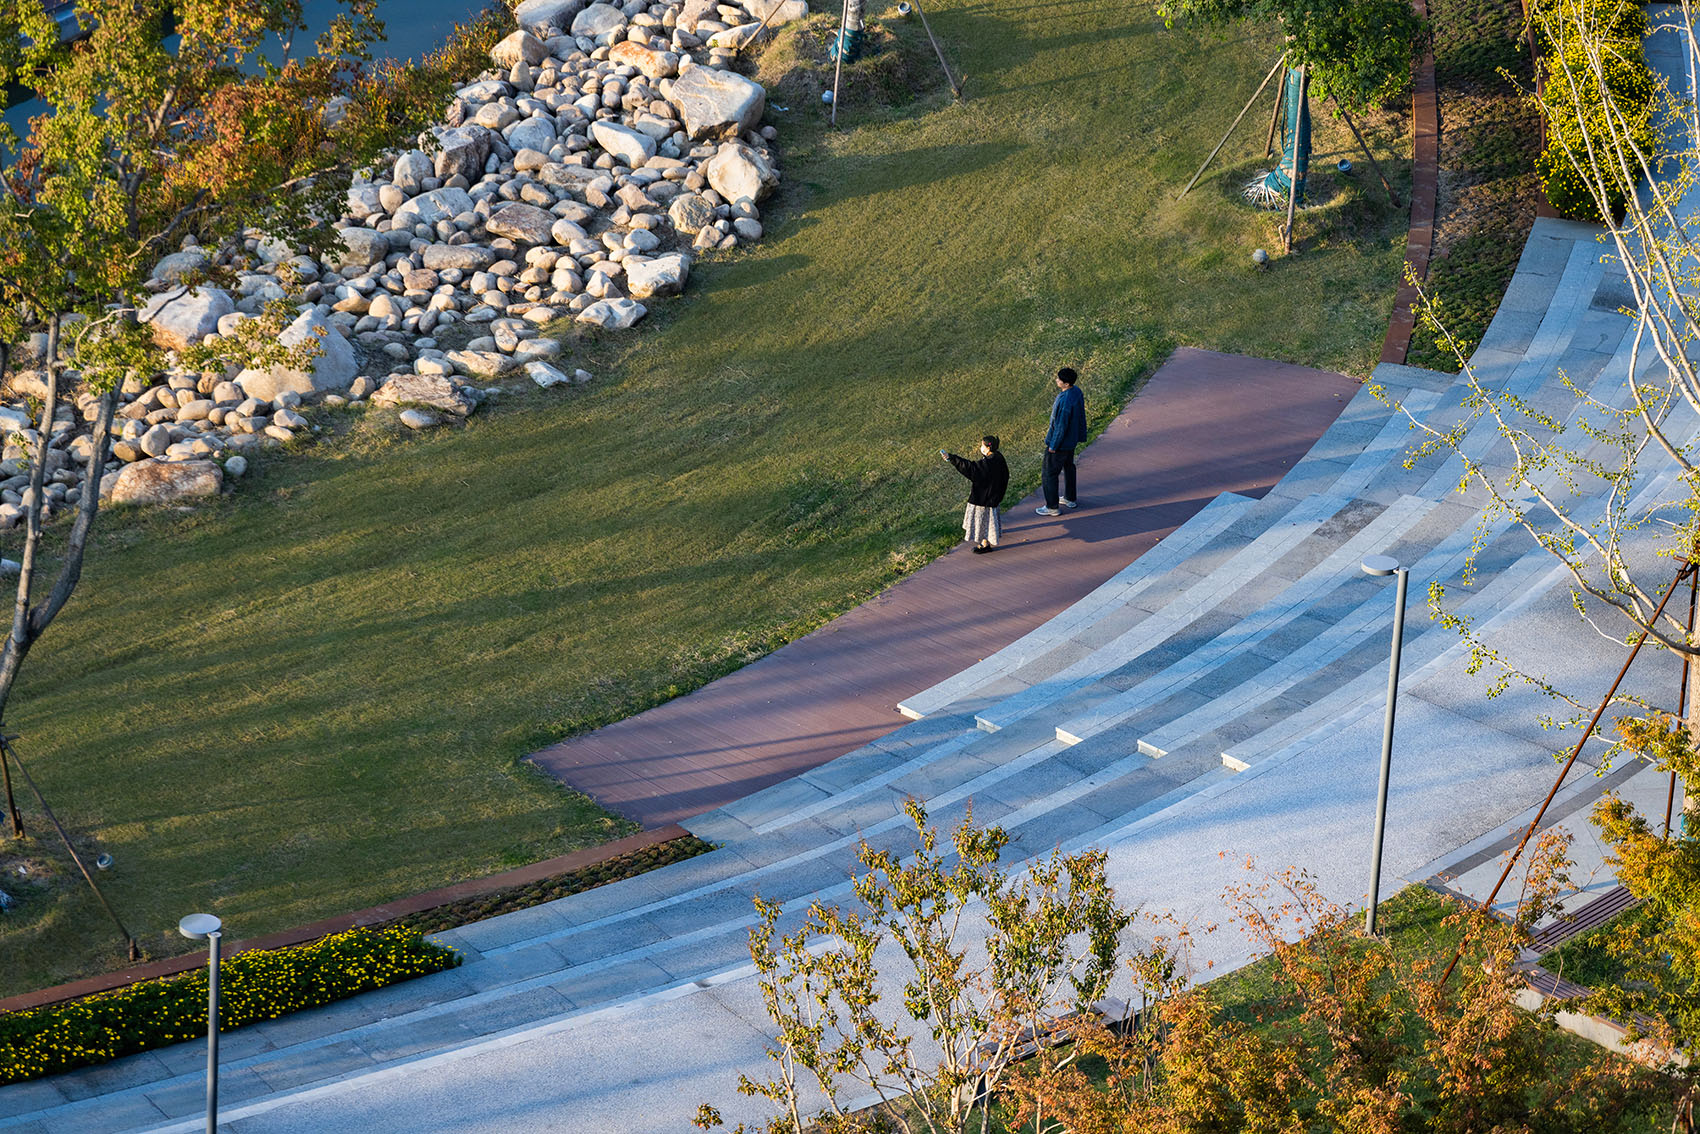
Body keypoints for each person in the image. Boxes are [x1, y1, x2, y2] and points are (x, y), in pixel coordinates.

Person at [941, 435, 1010, 554]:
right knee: (990, 519)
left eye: (982, 445)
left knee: (982, 521)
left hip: (983, 499)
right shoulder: (998, 458)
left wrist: (952, 458)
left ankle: (984, 544)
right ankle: (991, 536)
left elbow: (970, 468)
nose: (980, 447)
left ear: (988, 448)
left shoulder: (987, 464)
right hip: (994, 497)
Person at [1036, 366, 1086, 516]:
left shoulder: (1064, 401)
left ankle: (1052, 507)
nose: (1056, 380)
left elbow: (1060, 425)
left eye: (1059, 379)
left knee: (1049, 474)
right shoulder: (1076, 391)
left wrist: (1053, 445)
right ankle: (1070, 498)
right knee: (1069, 468)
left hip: (1060, 444)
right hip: (1071, 441)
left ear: (1066, 384)